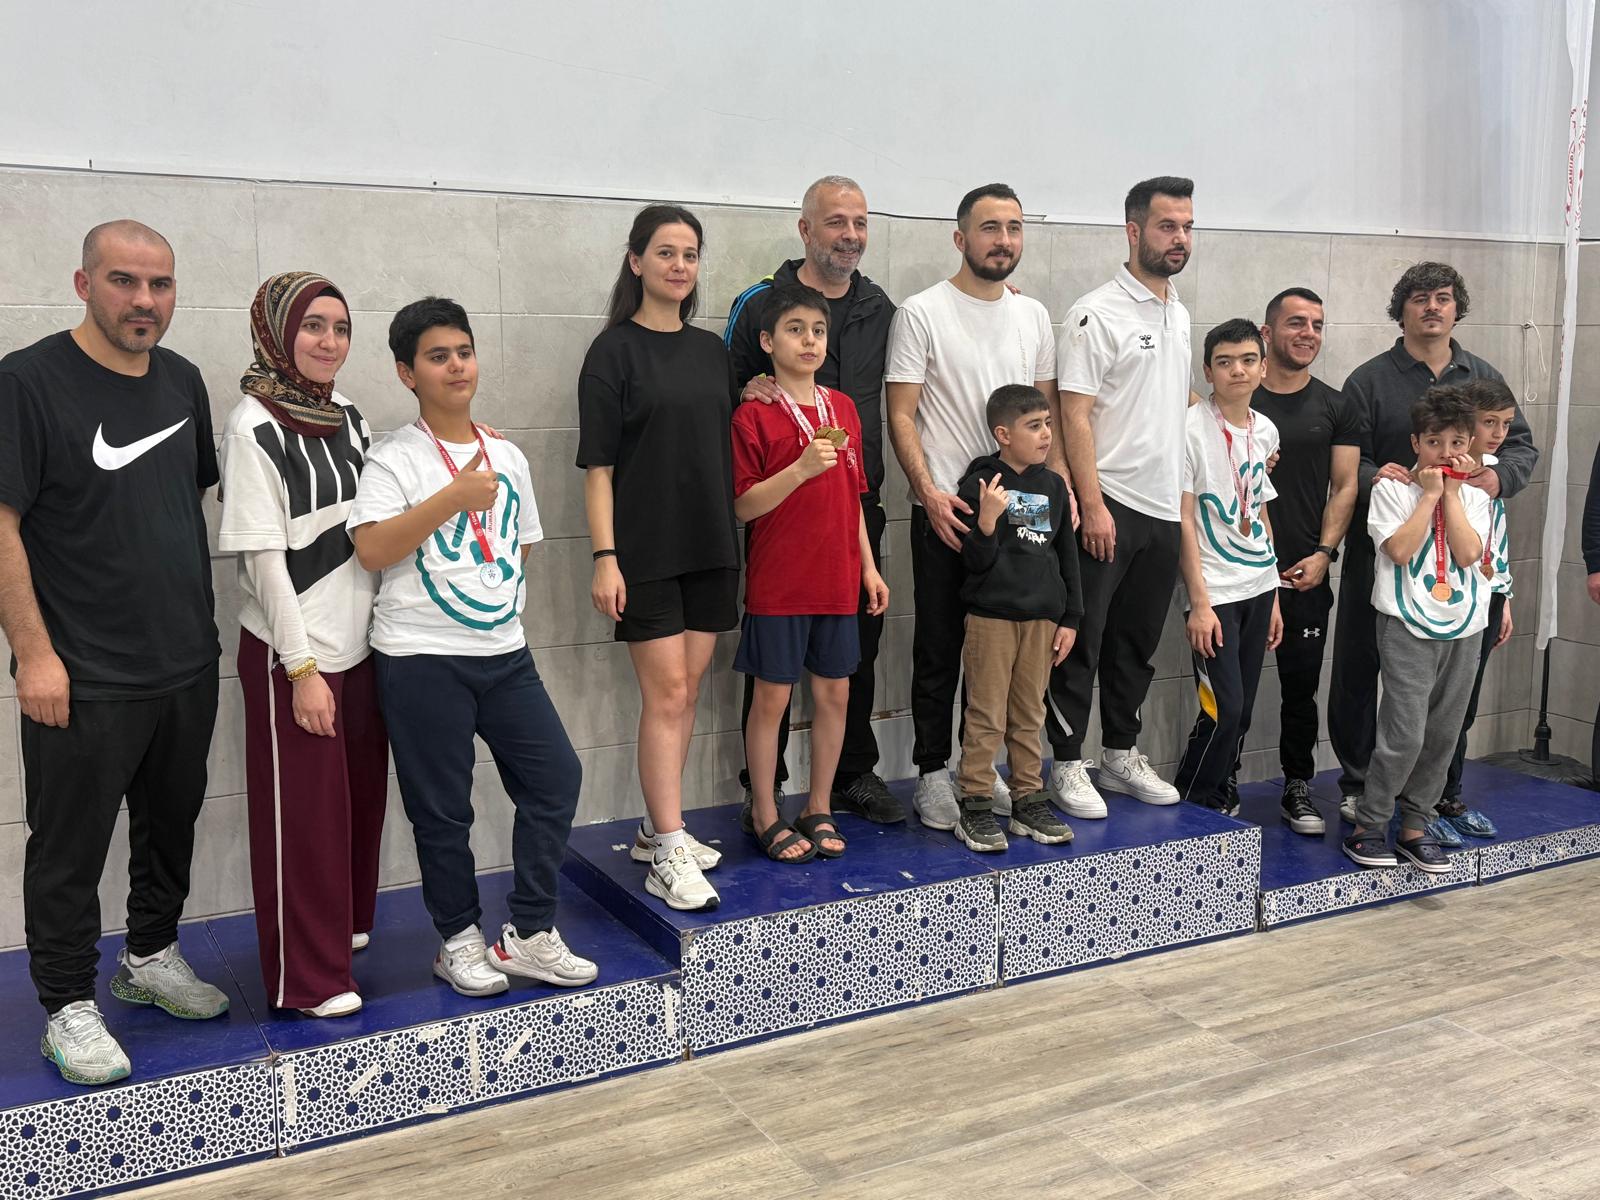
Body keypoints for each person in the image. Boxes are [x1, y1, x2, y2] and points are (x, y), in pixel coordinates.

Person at [0, 220, 228, 1086]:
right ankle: (67, 1002)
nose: (144, 300)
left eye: (159, 284)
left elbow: (178, 507)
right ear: (83, 283)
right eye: (124, 281)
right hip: (82, 672)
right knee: (69, 848)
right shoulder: (26, 382)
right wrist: (34, 655)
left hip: (183, 662)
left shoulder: (182, 379)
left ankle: (149, 956)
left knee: (169, 827)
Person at [349, 296, 597, 997]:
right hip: (420, 656)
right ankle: (456, 939)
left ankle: (529, 932)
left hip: (504, 652)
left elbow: (521, 546)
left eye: (464, 351)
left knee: (555, 778)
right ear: (408, 373)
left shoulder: (506, 455)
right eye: (438, 357)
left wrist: (495, 602)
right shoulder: (393, 458)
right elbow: (372, 550)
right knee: (443, 809)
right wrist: (452, 499)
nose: (456, 366)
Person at [218, 271, 388, 1018]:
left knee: (357, 805)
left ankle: (341, 932)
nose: (329, 341)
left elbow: (379, 516)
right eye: (313, 326)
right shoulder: (251, 426)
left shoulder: (349, 415)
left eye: (341, 328)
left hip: (361, 645)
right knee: (304, 823)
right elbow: (264, 562)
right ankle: (307, 980)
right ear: (278, 332)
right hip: (297, 655)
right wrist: (301, 668)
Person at [1330, 262, 1537, 820]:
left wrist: (1497, 478)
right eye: (1420, 298)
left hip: (1462, 561)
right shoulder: (1369, 380)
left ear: (1456, 308)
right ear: (1401, 309)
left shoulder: (1482, 374)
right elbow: (1348, 461)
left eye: (1443, 298)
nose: (1432, 307)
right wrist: (1379, 476)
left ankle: (1439, 793)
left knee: (1452, 690)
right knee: (1359, 670)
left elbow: (1519, 446)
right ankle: (1358, 784)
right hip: (1388, 550)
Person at [724, 176, 902, 825]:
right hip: (782, 530)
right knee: (771, 683)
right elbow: (728, 389)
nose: (849, 234)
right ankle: (764, 795)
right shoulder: (759, 303)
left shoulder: (880, 307)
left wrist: (868, 564)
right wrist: (751, 393)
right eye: (835, 222)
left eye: (859, 222)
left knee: (849, 669)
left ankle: (841, 785)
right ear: (806, 229)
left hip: (848, 519)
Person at [884, 183, 1060, 832]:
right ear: (961, 238)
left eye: (1013, 227)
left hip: (1021, 514)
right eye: (990, 228)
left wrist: (1058, 496)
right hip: (948, 511)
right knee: (940, 646)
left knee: (1008, 655)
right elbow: (901, 413)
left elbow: (1043, 415)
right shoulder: (921, 312)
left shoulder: (1033, 315)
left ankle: (979, 774)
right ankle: (934, 772)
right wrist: (929, 490)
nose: (1003, 240)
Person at [578, 204, 739, 911]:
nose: (679, 265)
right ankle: (669, 848)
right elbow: (598, 468)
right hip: (644, 550)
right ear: (636, 260)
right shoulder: (611, 352)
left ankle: (655, 829)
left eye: (690, 254)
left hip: (711, 543)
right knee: (667, 693)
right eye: (666, 252)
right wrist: (605, 556)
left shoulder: (711, 352)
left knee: (689, 690)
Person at [1048, 176, 1198, 818]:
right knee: (1082, 641)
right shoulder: (1096, 313)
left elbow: (1170, 398)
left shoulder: (1178, 313)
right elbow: (1073, 413)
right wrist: (1093, 504)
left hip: (1165, 508)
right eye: (1167, 226)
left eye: (1186, 226)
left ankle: (1119, 754)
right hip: (1110, 501)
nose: (1180, 238)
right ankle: (1065, 762)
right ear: (1134, 231)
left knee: (1135, 644)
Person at [1344, 387, 1492, 873]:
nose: (1445, 453)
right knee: (1404, 733)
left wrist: (1450, 493)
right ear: (1415, 443)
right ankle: (1369, 825)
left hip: (1465, 626)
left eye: (1457, 443)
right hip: (1407, 623)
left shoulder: (1476, 498)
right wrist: (1429, 494)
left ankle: (1415, 826)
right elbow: (1400, 551)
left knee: (1443, 733)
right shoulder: (1391, 490)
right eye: (1434, 443)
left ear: (1470, 445)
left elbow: (1468, 555)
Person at [951, 384, 1082, 851]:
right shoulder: (982, 483)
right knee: (986, 714)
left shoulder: (1053, 486)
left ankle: (1028, 799)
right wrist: (986, 522)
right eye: (1034, 426)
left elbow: (1067, 556)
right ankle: (976, 804)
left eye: (1048, 424)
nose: (1046, 434)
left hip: (1042, 619)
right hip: (992, 618)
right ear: (1003, 434)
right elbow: (973, 562)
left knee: (1029, 713)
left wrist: (1071, 618)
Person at [1249, 287, 1358, 834]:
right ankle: (1218, 783)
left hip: (1305, 573)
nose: (1308, 333)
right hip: (1241, 573)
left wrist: (1323, 555)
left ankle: (1297, 785)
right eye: (1296, 322)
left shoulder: (1337, 405)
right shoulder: (1237, 400)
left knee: (1300, 689)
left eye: (1316, 324)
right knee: (1230, 691)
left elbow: (1345, 486)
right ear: (1267, 333)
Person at [1175, 320, 1284, 813]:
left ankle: (1221, 789)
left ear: (1262, 368)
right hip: (1214, 591)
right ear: (1208, 371)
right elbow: (1184, 518)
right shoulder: (1189, 430)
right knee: (1223, 708)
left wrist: (1274, 593)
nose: (1236, 370)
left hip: (1258, 584)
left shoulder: (1266, 430)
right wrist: (1198, 604)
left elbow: (1259, 511)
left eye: (1247, 360)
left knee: (1242, 712)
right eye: (1224, 362)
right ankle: (1193, 799)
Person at [1435, 378, 1520, 838]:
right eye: (1490, 423)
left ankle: (1449, 796)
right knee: (1436, 708)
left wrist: (1503, 597)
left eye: (1505, 424)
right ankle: (1421, 806)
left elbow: (1496, 543)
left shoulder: (1491, 474)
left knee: (1465, 707)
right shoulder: (1440, 472)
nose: (1499, 433)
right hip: (1446, 602)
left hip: (1486, 598)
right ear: (1467, 424)